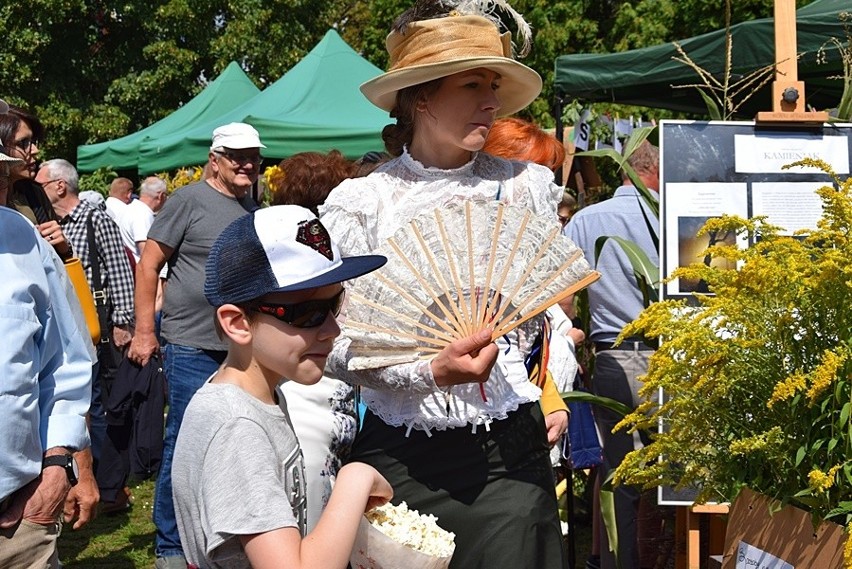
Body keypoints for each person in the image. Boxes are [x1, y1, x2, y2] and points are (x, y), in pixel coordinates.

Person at [318, 3, 566, 567]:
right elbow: (326, 343)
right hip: (402, 456)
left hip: (509, 452)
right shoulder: (361, 204)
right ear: (421, 97)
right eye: (472, 83)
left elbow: (542, 307)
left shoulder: (527, 188)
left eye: (494, 84)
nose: (491, 101)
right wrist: (429, 370)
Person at [172, 205, 391, 568]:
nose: (332, 329)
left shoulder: (263, 396)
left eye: (335, 304)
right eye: (308, 314)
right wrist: (355, 478)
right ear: (238, 324)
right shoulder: (237, 427)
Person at [127, 122, 262, 569]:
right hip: (190, 344)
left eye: (253, 156)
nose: (247, 164)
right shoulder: (187, 200)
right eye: (237, 156)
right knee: (184, 444)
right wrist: (145, 331)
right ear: (215, 158)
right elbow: (149, 266)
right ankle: (171, 546)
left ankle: (214, 536)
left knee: (232, 444)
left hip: (240, 346)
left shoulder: (252, 205)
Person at [563, 141, 661, 569]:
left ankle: (621, 563)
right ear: (652, 171)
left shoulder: (585, 220)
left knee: (620, 475)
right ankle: (666, 557)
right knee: (674, 472)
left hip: (612, 355)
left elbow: (561, 294)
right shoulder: (667, 218)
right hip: (669, 355)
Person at [0, 145, 93, 567]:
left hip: (19, 522)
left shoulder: (22, 239)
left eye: (2, 179)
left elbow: (67, 360)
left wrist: (59, 466)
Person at [37, 158, 136, 514]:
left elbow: (120, 270)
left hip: (98, 329)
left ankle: (108, 486)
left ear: (59, 186)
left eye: (42, 183)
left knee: (101, 407)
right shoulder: (47, 223)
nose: (37, 188)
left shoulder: (96, 218)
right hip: (65, 329)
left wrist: (125, 323)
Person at [116, 175, 168, 262]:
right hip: (140, 271)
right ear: (161, 196)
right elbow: (146, 253)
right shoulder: (142, 215)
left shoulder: (131, 209)